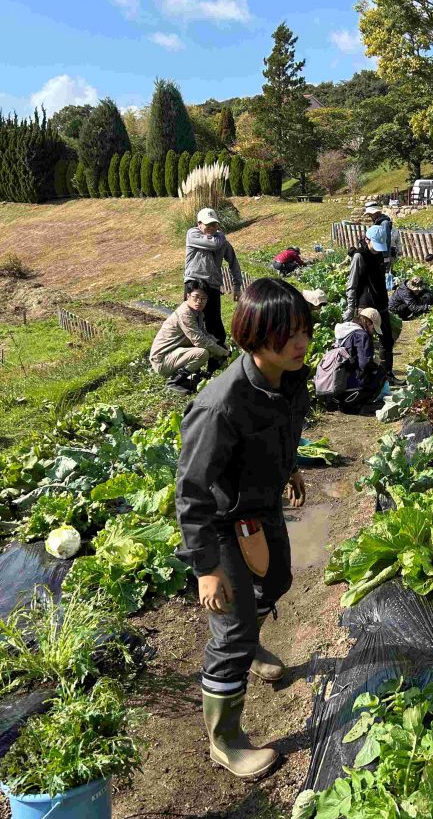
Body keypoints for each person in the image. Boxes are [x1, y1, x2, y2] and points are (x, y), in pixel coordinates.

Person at [175, 278, 312, 781]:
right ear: (254, 335)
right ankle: (226, 741)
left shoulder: (290, 378)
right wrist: (207, 568)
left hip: (261, 505)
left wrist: (290, 468)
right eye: (287, 335)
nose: (300, 343)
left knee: (276, 581)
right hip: (221, 523)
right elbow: (191, 491)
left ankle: (249, 642)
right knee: (231, 631)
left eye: (304, 330)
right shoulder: (220, 405)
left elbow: (284, 431)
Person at [148, 279, 230, 394]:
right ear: (188, 296)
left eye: (203, 298)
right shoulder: (185, 313)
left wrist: (219, 343)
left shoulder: (197, 313)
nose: (199, 301)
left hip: (174, 353)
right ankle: (174, 382)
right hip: (162, 360)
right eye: (196, 297)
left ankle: (190, 376)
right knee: (202, 353)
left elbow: (203, 333)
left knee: (210, 347)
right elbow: (199, 340)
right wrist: (223, 352)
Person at [185, 206, 244, 344]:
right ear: (199, 224)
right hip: (194, 282)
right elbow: (213, 244)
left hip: (212, 285)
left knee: (214, 321)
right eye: (208, 224)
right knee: (191, 319)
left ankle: (218, 352)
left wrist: (237, 285)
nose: (211, 227)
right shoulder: (192, 234)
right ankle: (192, 351)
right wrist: (221, 235)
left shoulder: (222, 241)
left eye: (214, 224)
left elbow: (233, 262)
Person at [345, 227, 397, 383]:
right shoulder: (359, 256)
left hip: (382, 303)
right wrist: (350, 307)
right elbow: (351, 284)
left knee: (387, 340)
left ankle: (387, 375)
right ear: (367, 240)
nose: (378, 250)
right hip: (366, 306)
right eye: (376, 245)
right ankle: (365, 380)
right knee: (365, 343)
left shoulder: (380, 254)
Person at [317, 307, 387, 413]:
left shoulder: (343, 331)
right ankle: (357, 404)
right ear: (368, 323)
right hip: (350, 384)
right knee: (381, 372)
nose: (373, 332)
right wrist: (375, 364)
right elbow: (364, 364)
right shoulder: (361, 335)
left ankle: (342, 401)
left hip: (335, 383)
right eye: (373, 328)